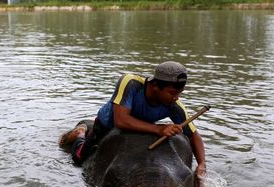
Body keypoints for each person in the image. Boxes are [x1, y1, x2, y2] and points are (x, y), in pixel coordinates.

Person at [59, 61, 206, 179]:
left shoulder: (174, 106)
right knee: (79, 160)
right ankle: (80, 134)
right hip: (107, 126)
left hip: (135, 133)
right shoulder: (131, 84)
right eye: (172, 93)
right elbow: (120, 121)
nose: (177, 97)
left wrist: (201, 164)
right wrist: (159, 129)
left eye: (180, 93)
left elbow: (193, 135)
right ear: (155, 86)